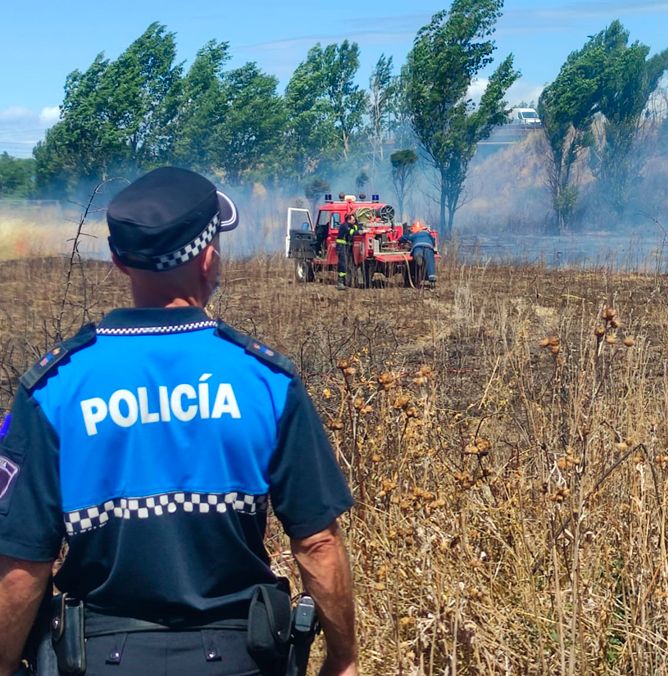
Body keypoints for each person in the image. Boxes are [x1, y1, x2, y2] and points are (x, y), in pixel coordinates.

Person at [0, 167, 357, 675]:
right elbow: (318, 542)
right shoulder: (265, 381)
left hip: (99, 659)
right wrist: (343, 658)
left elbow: (21, 562)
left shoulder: (54, 388)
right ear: (209, 258)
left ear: (121, 263)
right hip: (241, 658)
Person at [400, 220, 437, 289]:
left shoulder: (414, 235)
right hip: (428, 247)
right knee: (430, 262)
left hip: (417, 246)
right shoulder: (427, 234)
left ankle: (418, 260)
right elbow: (433, 240)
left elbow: (404, 238)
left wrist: (399, 240)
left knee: (417, 254)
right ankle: (432, 280)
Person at [335, 213, 358, 290]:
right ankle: (340, 283)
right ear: (349, 220)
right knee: (343, 264)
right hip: (341, 247)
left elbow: (355, 228)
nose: (354, 221)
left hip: (346, 247)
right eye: (353, 220)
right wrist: (361, 231)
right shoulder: (344, 226)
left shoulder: (351, 225)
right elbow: (352, 232)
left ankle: (345, 282)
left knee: (348, 264)